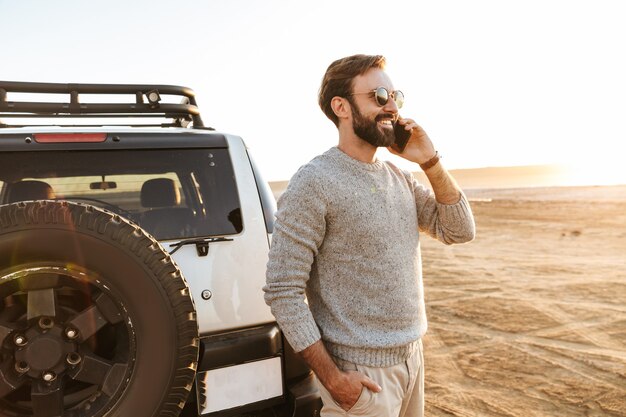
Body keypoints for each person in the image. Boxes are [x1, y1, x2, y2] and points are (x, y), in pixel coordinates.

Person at [263, 54, 475, 417]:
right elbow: (283, 290)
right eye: (379, 96)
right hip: (360, 375)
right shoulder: (314, 182)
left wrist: (430, 161)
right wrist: (333, 379)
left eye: (396, 96)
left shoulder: (400, 178)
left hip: (412, 361)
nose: (392, 106)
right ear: (341, 107)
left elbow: (460, 230)